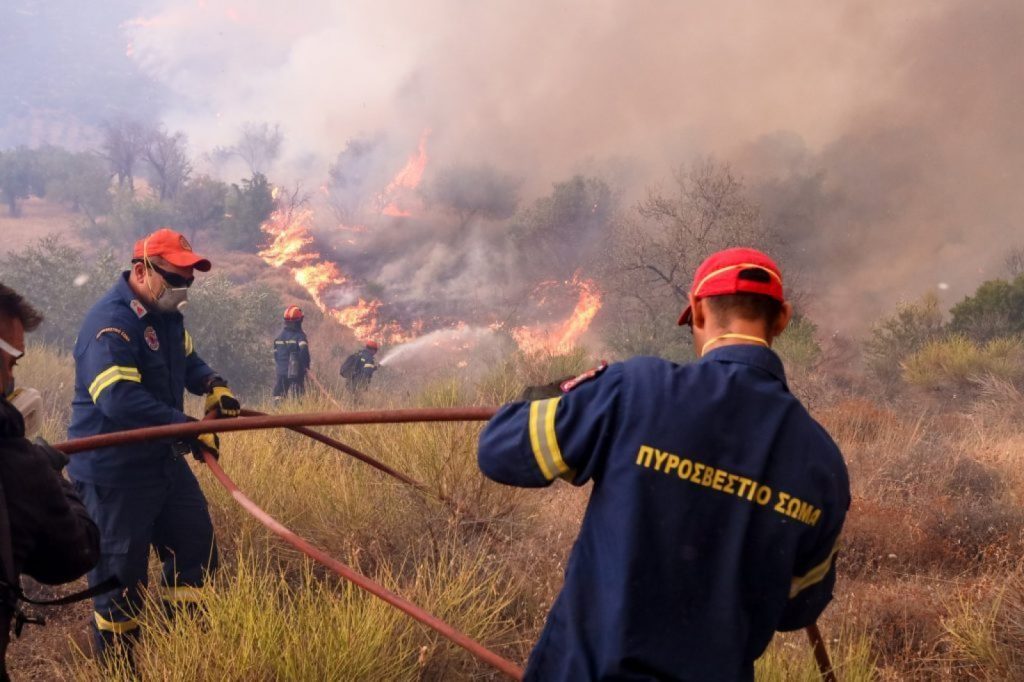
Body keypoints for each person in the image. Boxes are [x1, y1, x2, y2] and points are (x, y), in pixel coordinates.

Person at [477, 247, 850, 681]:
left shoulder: (636, 390)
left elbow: (501, 451)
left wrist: (554, 397)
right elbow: (797, 607)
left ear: (696, 311)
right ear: (782, 318)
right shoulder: (822, 461)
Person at [66, 228, 241, 661]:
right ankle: (120, 667)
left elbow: (187, 359)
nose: (184, 288)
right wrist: (190, 428)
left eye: (189, 280)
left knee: (194, 548)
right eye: (176, 278)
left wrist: (212, 384)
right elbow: (119, 400)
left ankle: (180, 649)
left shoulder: (166, 316)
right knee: (120, 582)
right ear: (142, 271)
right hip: (114, 474)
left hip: (161, 462)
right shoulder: (111, 324)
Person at [0, 284, 100, 680]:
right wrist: (50, 472)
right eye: (10, 364)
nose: (11, 381)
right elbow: (76, 554)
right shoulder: (17, 466)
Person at [272, 305, 311, 399]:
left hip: (281, 372)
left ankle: (277, 412)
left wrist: (281, 367)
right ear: (299, 321)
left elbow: (276, 356)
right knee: (297, 398)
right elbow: (304, 353)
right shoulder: (300, 337)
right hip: (296, 374)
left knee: (279, 397)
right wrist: (306, 367)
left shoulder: (278, 337)